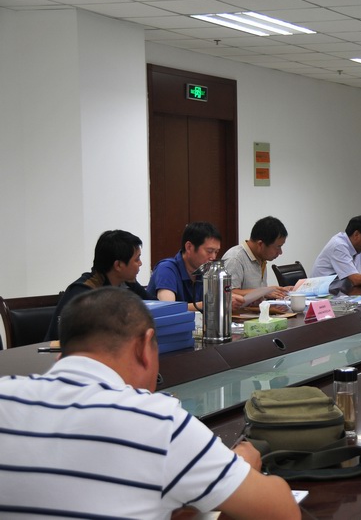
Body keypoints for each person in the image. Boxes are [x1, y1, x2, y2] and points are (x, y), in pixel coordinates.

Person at [0, 287, 300, 519]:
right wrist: (241, 463)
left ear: (60, 353)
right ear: (144, 346)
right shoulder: (157, 421)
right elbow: (283, 511)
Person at [45, 230, 153, 341]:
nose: (140, 263)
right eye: (137, 259)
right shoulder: (83, 293)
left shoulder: (128, 283)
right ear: (118, 265)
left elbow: (156, 308)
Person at [148, 222, 244, 312]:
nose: (213, 257)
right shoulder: (166, 269)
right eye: (209, 251)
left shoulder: (205, 271)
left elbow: (217, 300)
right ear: (189, 247)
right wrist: (212, 304)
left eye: (216, 252)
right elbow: (168, 308)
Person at [310, 215, 361, 294]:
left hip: (341, 293)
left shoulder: (360, 250)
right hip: (320, 295)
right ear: (356, 235)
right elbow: (356, 279)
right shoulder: (339, 246)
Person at [221, 216, 293, 301]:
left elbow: (259, 293)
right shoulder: (235, 258)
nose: (280, 252)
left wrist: (279, 291)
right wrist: (264, 292)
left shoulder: (261, 257)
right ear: (260, 244)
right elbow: (227, 293)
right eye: (278, 247)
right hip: (241, 310)